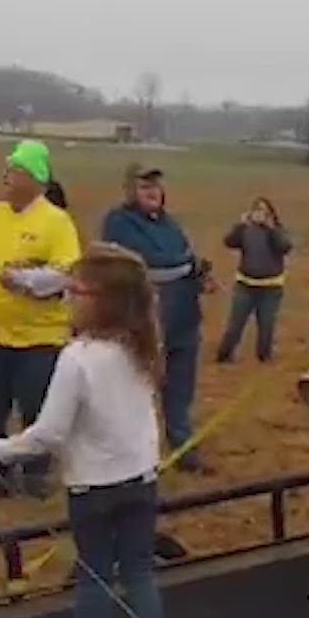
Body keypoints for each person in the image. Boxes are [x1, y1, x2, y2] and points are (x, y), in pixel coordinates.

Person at [0, 245, 174, 618]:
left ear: (103, 300)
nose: (69, 297)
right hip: (140, 480)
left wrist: (2, 449)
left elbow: (50, 432)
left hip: (93, 490)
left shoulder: (78, 357)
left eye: (77, 291)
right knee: (140, 575)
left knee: (94, 579)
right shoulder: (141, 346)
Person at [0, 139, 82, 498]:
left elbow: (67, 273)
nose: (7, 174)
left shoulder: (56, 221)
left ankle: (36, 475)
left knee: (36, 407)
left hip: (39, 337)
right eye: (7, 168)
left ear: (36, 178)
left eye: (16, 169)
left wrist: (23, 281)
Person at [101, 162, 213, 473]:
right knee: (135, 392)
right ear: (129, 190)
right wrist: (186, 265)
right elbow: (143, 264)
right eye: (144, 186)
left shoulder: (170, 224)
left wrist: (199, 274)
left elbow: (185, 260)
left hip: (184, 321)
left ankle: (183, 449)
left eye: (156, 186)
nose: (153, 192)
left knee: (180, 391)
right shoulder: (118, 222)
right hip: (144, 325)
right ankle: (131, 456)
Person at [216, 197, 293, 363]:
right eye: (257, 210)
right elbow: (229, 242)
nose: (260, 214)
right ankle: (224, 355)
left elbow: (285, 247)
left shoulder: (278, 231)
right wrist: (240, 225)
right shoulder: (245, 230)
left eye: (265, 211)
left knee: (266, 326)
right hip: (245, 285)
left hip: (270, 288)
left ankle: (264, 357)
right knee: (235, 325)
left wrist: (272, 229)